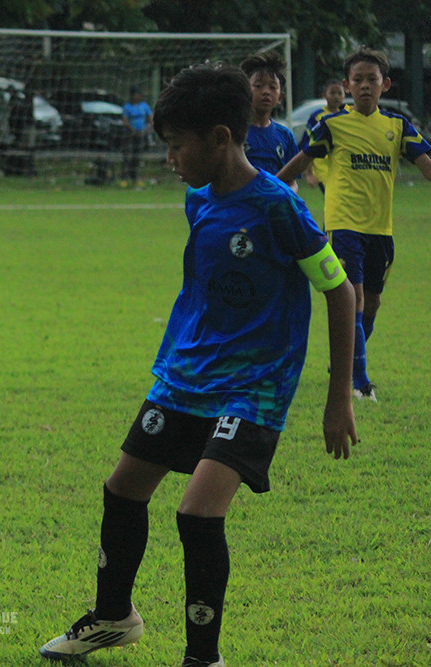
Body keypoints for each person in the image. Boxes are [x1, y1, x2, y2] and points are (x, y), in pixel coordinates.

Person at [39, 62, 357, 667]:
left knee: (196, 513)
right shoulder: (198, 201)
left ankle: (201, 658)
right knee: (121, 489)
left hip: (254, 390)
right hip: (185, 377)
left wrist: (337, 395)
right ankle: (113, 618)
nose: (169, 159)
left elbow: (338, 291)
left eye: (176, 145)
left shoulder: (279, 207)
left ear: (218, 138)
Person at [276, 47, 431, 402]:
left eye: (371, 80)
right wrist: (267, 188)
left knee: (372, 304)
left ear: (385, 84)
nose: (364, 86)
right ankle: (359, 383)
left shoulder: (397, 126)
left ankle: (344, 361)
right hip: (344, 225)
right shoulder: (331, 124)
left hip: (382, 230)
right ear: (346, 85)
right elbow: (302, 161)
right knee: (356, 298)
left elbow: (425, 163)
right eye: (357, 80)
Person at [239, 51, 298, 185]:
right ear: (246, 91)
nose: (266, 92)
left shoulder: (285, 136)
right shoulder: (235, 132)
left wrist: (285, 197)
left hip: (273, 205)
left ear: (280, 97)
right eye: (258, 86)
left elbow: (291, 182)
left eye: (272, 87)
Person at [303, 79, 346, 193]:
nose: (336, 96)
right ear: (324, 95)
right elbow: (308, 144)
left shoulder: (346, 116)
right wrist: (309, 173)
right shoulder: (317, 117)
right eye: (332, 93)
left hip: (342, 169)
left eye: (339, 93)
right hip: (323, 170)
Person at [121, 87, 153, 186]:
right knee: (128, 156)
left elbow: (151, 119)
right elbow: (125, 121)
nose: (139, 96)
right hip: (130, 134)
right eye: (137, 94)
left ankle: (136, 178)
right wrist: (133, 131)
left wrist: (146, 129)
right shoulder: (127, 107)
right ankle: (124, 179)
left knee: (137, 157)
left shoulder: (144, 106)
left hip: (141, 134)